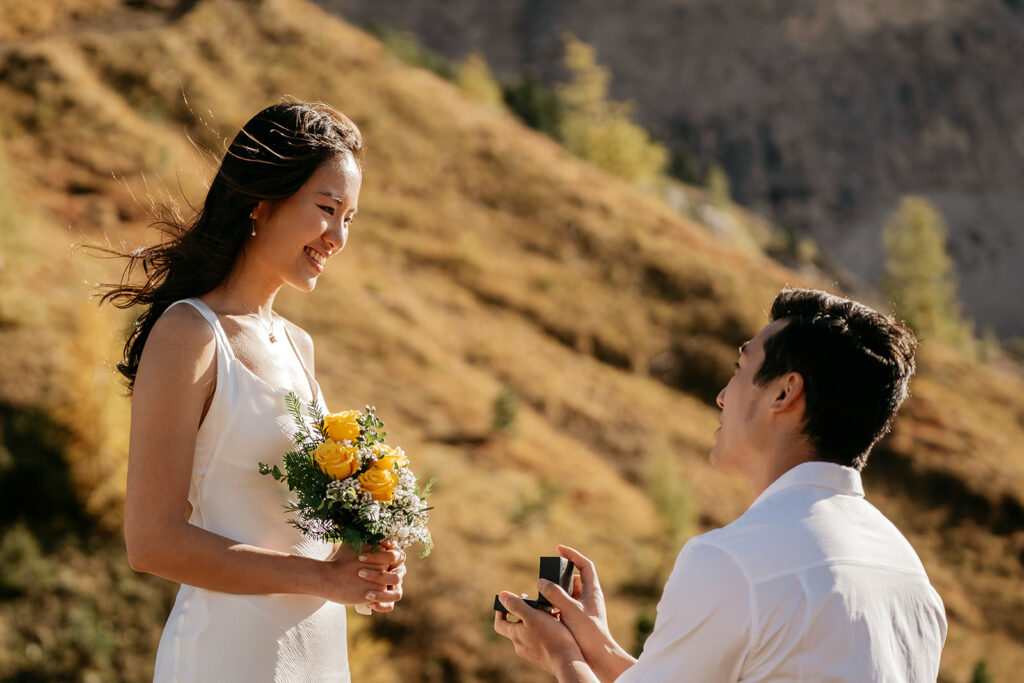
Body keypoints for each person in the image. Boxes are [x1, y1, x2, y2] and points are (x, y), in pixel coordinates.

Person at [495, 288, 947, 682]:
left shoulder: (732, 564)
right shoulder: (910, 578)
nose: (722, 395)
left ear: (784, 392)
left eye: (739, 368)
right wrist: (598, 651)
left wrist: (560, 654)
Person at [101, 101, 405, 682]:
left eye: (350, 218)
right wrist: (321, 579)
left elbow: (288, 526)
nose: (338, 236)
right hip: (226, 655)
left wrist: (359, 557)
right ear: (261, 203)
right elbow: (151, 541)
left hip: (315, 655)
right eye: (326, 208)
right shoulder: (190, 333)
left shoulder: (298, 345)